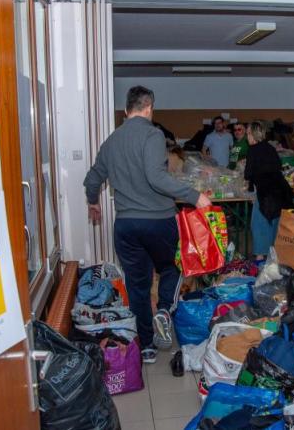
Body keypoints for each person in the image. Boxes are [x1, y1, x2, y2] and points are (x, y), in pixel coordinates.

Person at [84, 86, 212, 364]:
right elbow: (156, 178)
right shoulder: (153, 134)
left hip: (126, 225)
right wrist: (195, 196)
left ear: (127, 109)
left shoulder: (112, 140)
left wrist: (93, 202)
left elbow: (92, 178)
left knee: (138, 284)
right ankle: (164, 310)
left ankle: (146, 347)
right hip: (158, 221)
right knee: (174, 266)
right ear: (149, 107)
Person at [244, 122, 293, 260]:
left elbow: (248, 174)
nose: (247, 136)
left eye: (248, 133)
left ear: (253, 135)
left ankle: (260, 260)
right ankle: (275, 260)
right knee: (275, 227)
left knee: (259, 226)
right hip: (281, 191)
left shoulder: (253, 150)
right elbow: (278, 165)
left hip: (265, 193)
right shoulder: (270, 148)